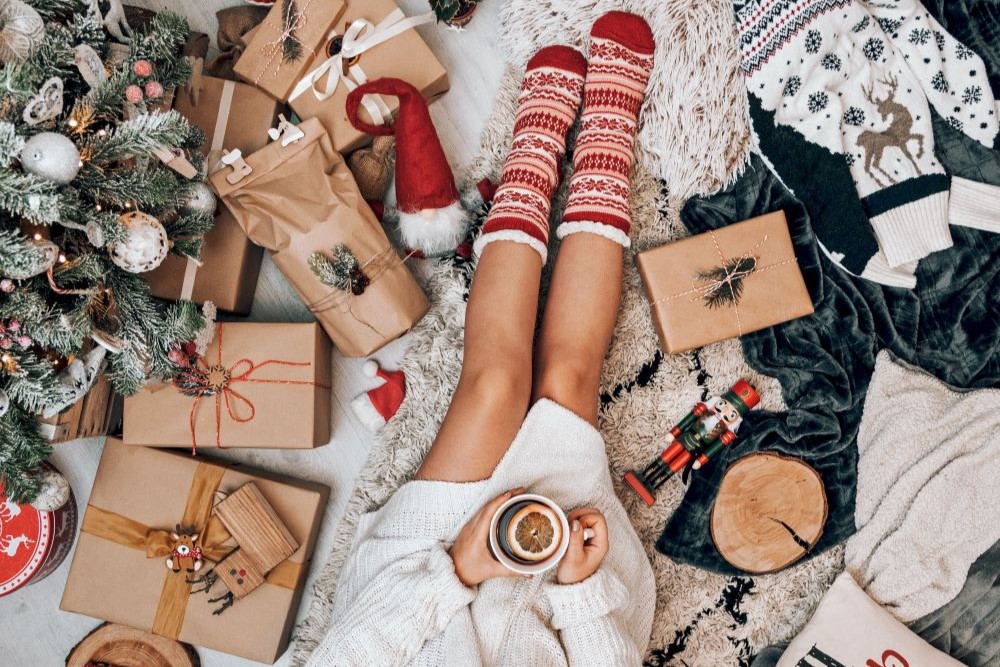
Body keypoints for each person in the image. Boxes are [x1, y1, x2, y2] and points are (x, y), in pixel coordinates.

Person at [307, 11, 657, 666]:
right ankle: (610, 128)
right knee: (568, 382)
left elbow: (354, 650)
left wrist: (459, 570)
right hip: (555, 611)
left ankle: (534, 146)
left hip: (418, 588)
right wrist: (580, 592)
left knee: (494, 385)